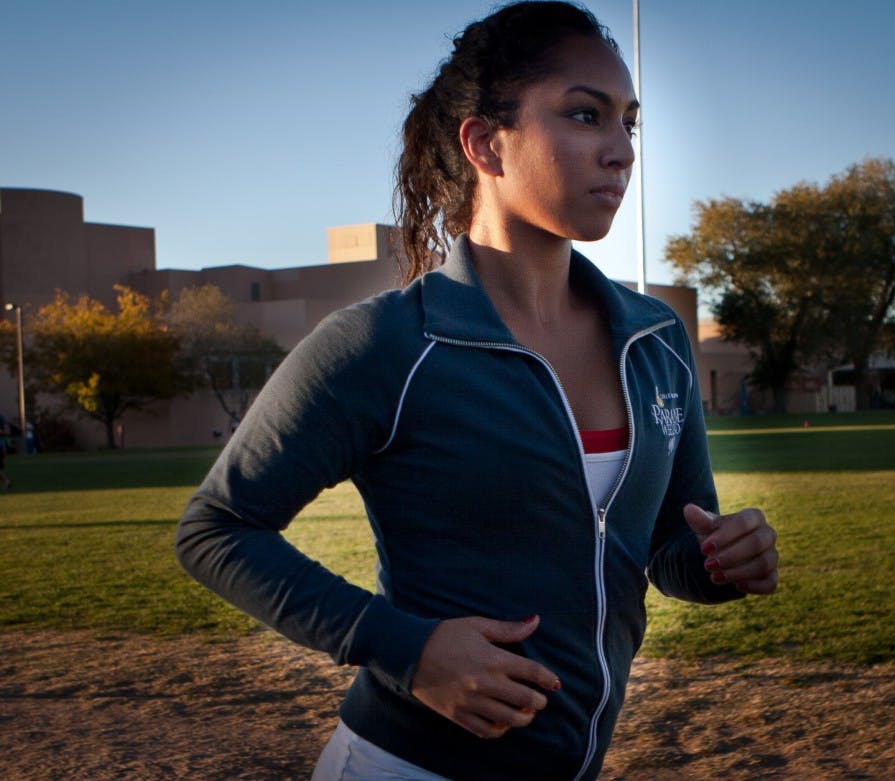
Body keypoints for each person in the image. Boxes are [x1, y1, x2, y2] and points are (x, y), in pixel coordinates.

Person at [175, 3, 779, 779]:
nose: (621, 150)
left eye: (630, 122)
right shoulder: (388, 343)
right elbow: (215, 528)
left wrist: (728, 562)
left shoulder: (655, 341)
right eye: (585, 115)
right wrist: (410, 648)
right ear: (486, 143)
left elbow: (664, 550)